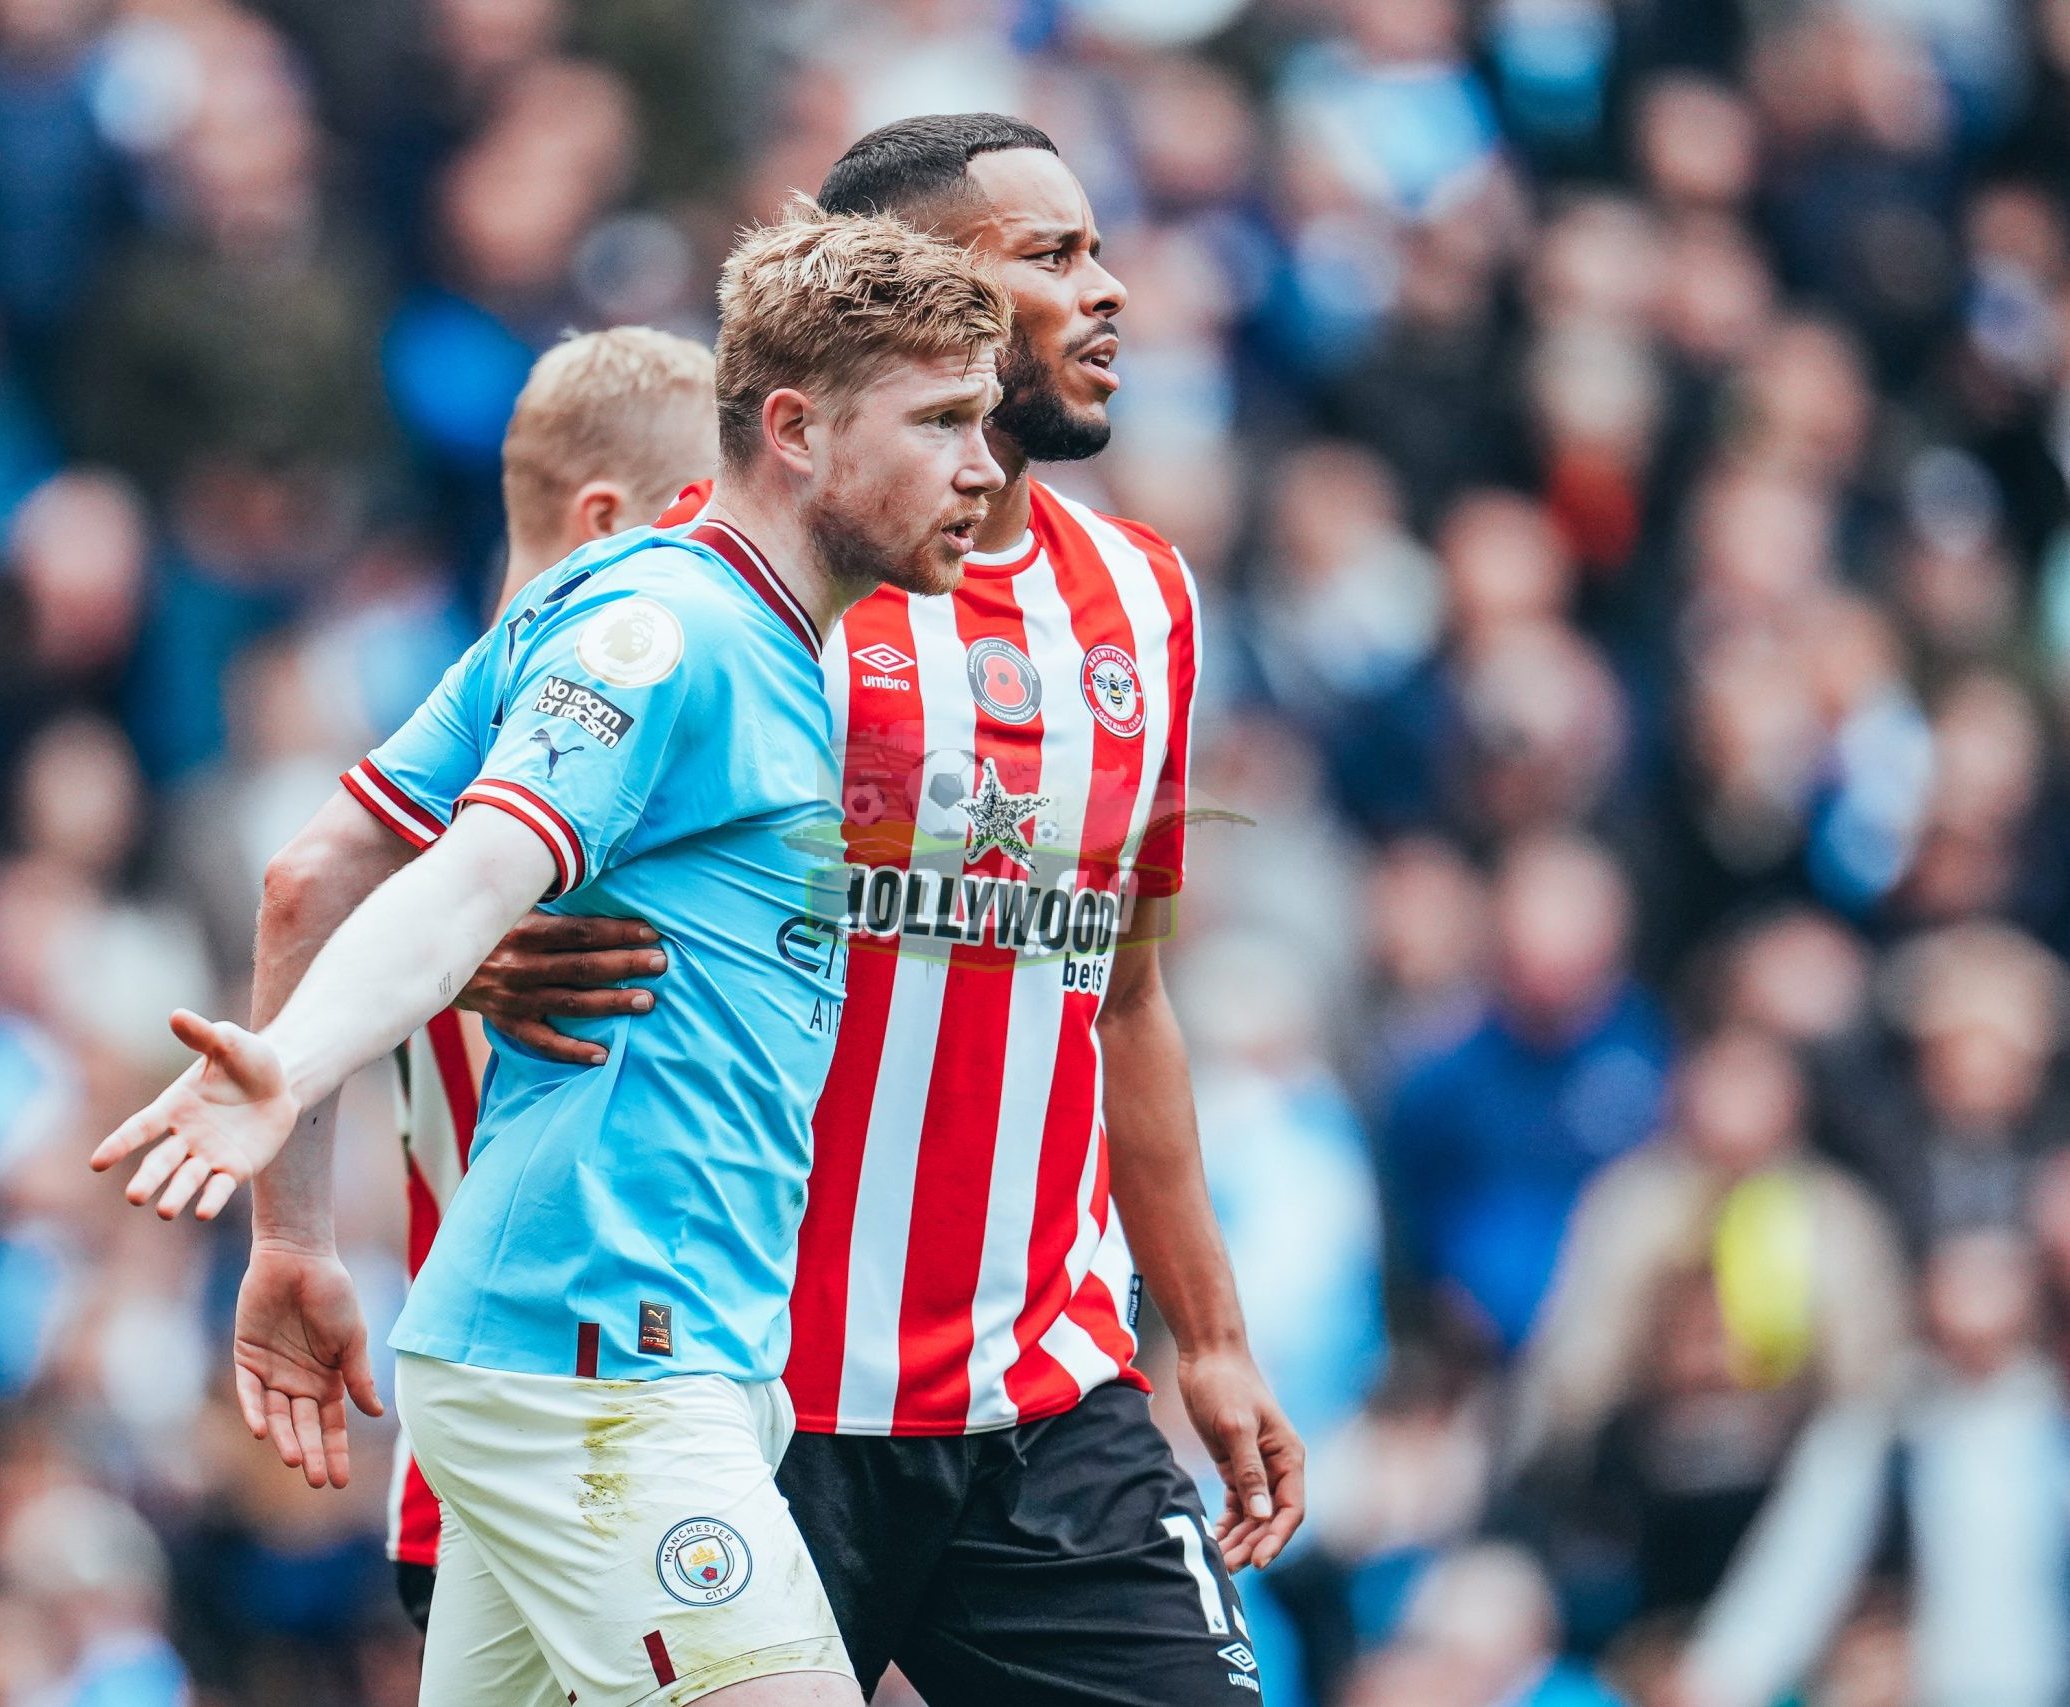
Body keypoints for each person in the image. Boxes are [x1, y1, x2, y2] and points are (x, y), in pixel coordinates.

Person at [274, 112, 1305, 1703]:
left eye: (1101, 250)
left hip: (1043, 1397)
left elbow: (1127, 996)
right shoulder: (750, 586)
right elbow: (428, 839)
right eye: (1054, 257)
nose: (1109, 293)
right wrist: (471, 956)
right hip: (744, 1386)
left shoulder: (1146, 605)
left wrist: (1213, 1335)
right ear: (916, 295)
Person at [90, 207, 1011, 1707]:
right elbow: (462, 885)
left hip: (620, 1355)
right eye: (944, 420)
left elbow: (311, 876)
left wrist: (295, 1240)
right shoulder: (667, 628)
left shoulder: (725, 630)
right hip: (599, 1367)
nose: (983, 464)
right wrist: (295, 1072)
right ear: (794, 429)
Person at [357, 324, 718, 1632]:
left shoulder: (431, 744)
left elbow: (308, 898)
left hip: (507, 1447)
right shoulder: (572, 739)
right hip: (586, 1428)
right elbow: (306, 897)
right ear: (608, 519)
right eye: (711, 514)